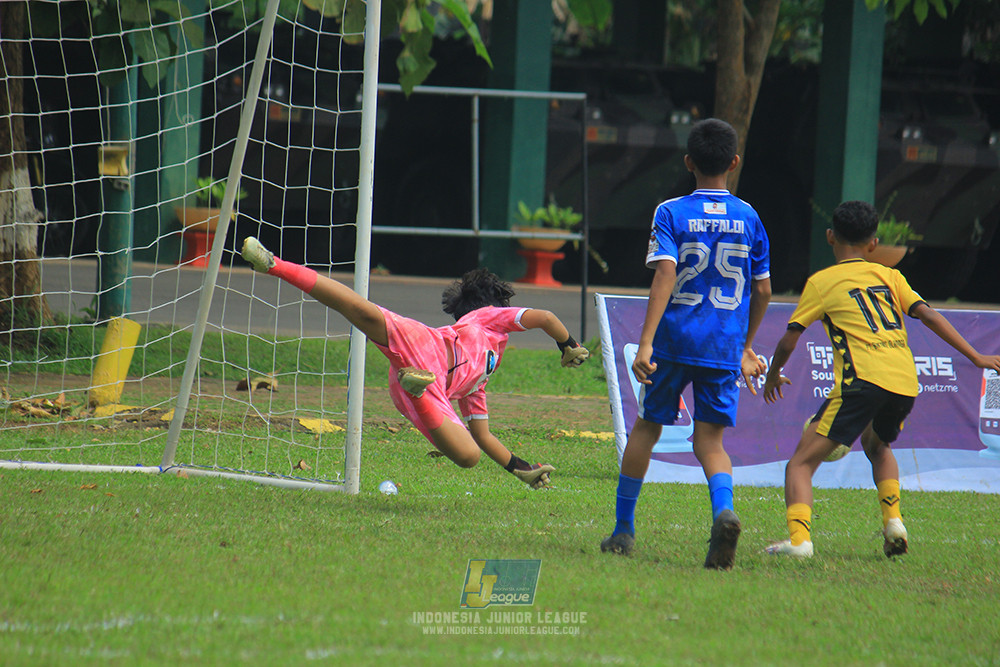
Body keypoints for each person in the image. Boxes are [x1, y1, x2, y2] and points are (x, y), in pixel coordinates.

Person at [240, 237, 591, 489]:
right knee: (362, 311)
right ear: (492, 304)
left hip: (420, 376)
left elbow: (483, 435)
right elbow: (545, 317)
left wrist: (521, 468)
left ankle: (416, 386)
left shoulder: (478, 381)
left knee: (469, 453)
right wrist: (569, 344)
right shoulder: (488, 317)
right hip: (431, 349)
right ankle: (275, 264)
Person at [762, 200, 1000, 558]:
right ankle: (894, 523)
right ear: (874, 244)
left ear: (830, 237)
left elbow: (789, 338)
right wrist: (976, 356)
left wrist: (774, 374)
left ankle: (799, 542)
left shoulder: (822, 282)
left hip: (862, 381)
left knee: (799, 463)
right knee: (879, 446)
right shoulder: (890, 276)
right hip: (904, 382)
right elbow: (930, 317)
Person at [599, 118, 772, 570]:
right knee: (710, 443)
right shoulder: (751, 217)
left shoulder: (670, 212)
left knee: (647, 428)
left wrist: (646, 343)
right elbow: (764, 291)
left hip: (675, 342)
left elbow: (665, 274)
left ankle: (622, 529)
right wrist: (746, 346)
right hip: (722, 347)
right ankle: (722, 512)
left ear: (688, 162)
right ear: (734, 163)